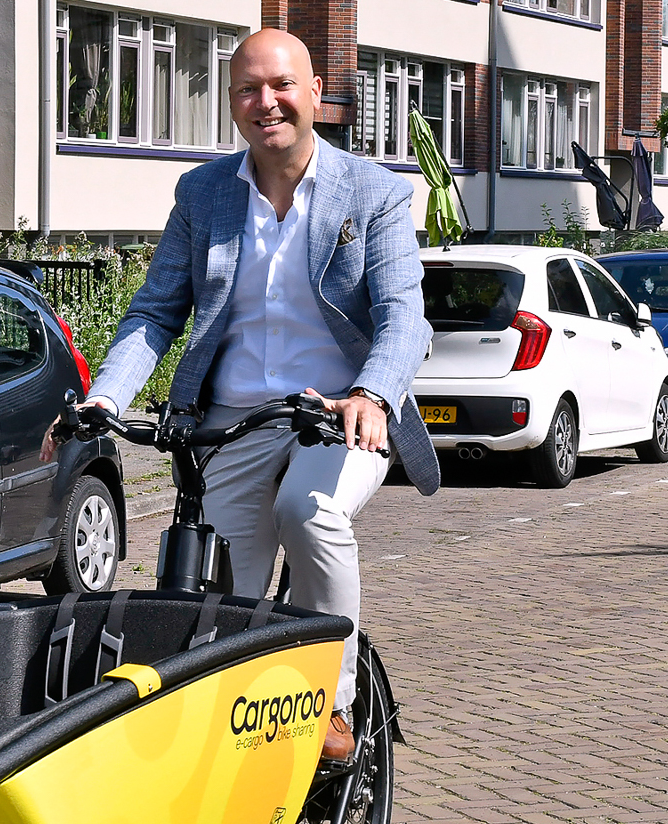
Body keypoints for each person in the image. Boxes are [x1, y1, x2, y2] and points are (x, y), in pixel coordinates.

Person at [49, 28, 440, 762]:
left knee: (309, 511)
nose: (268, 103)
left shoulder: (374, 192)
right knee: (226, 599)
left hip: (338, 419)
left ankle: (332, 702)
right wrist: (105, 397)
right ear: (232, 103)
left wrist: (371, 396)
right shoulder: (204, 193)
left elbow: (403, 317)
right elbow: (156, 310)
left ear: (316, 93)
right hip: (230, 421)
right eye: (249, 90)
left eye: (283, 85)